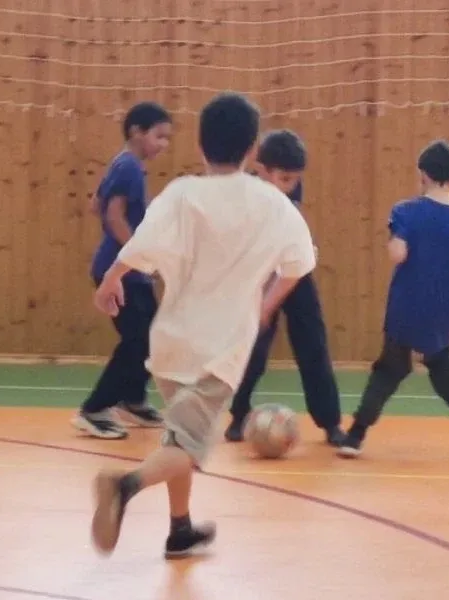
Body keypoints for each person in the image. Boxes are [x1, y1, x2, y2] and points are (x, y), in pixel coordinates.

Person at [89, 92, 316, 559]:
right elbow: (298, 266)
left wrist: (112, 278)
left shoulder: (180, 193)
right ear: (252, 150)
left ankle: (180, 529)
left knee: (179, 436)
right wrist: (266, 304)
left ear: (200, 146)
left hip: (170, 342)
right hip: (220, 351)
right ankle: (124, 487)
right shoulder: (274, 205)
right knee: (189, 446)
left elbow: (141, 245)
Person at [338, 139, 449, 458]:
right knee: (442, 360)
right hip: (445, 311)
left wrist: (394, 241)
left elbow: (398, 254)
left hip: (407, 307)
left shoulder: (406, 211)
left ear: (421, 174)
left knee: (389, 369)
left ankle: (355, 435)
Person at [223, 129, 345, 447]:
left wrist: (272, 300)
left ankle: (330, 422)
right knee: (255, 347)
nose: (291, 185)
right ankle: (238, 413)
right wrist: (261, 304)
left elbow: (288, 239)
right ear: (261, 169)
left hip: (293, 271)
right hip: (257, 272)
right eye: (285, 178)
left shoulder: (290, 190)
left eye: (295, 179)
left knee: (313, 344)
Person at [73, 101, 173, 440]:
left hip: (133, 272)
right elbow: (111, 215)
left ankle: (132, 399)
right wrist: (137, 252)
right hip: (119, 271)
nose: (164, 144)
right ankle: (94, 409)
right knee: (137, 340)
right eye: (159, 136)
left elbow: (95, 205)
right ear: (136, 132)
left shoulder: (124, 165)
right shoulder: (128, 166)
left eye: (167, 138)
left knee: (153, 336)